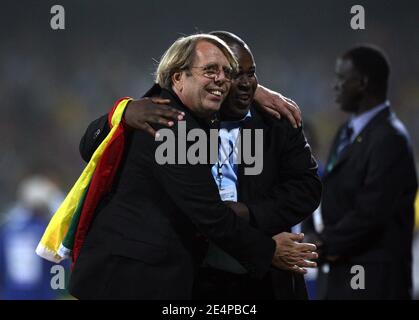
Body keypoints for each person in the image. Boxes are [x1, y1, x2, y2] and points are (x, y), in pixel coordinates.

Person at [68, 34, 314, 300]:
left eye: (228, 72)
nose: (223, 79)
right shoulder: (167, 119)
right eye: (212, 71)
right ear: (178, 78)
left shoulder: (268, 117)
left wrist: (250, 214)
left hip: (237, 277)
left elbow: (307, 188)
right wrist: (269, 251)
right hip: (138, 277)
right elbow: (208, 212)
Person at [312, 45, 418, 299]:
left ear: (362, 83)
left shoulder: (389, 138)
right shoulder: (346, 132)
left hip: (374, 282)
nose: (334, 85)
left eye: (341, 78)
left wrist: (323, 243)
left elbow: (371, 212)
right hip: (342, 274)